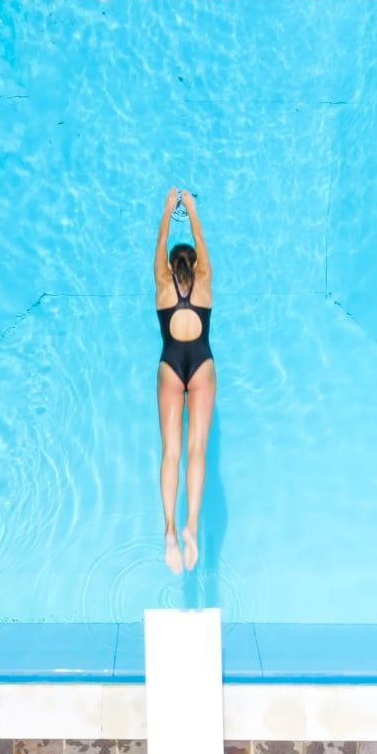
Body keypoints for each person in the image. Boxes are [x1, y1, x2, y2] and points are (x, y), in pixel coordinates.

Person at [154, 187, 216, 573]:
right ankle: (192, 524)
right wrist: (192, 210)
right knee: (196, 451)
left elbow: (161, 243)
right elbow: (201, 241)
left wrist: (166, 211)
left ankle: (169, 529)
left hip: (170, 366)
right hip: (202, 367)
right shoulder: (205, 280)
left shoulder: (162, 285)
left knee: (171, 453)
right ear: (193, 266)